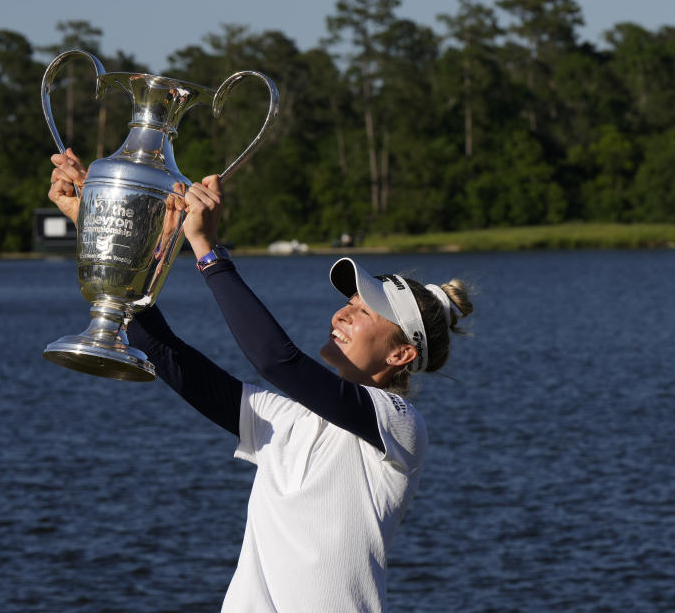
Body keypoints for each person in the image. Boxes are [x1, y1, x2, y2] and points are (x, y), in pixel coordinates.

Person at [49, 149, 473, 612]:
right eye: (349, 302)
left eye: (364, 311)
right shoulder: (285, 418)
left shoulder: (400, 425)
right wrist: (103, 234)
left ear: (401, 354)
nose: (342, 313)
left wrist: (209, 251)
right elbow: (162, 351)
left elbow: (277, 361)